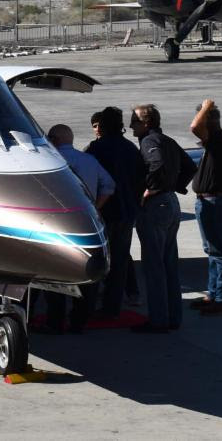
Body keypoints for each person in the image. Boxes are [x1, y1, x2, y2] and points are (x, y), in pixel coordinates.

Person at [44, 123, 114, 333]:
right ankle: (79, 321)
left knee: (55, 276)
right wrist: (93, 208)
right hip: (84, 222)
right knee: (86, 275)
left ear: (54, 140)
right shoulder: (89, 160)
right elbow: (109, 185)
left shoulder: (52, 162)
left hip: (57, 224)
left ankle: (55, 322)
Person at [128, 104, 190, 333]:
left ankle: (158, 320)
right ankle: (173, 317)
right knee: (169, 264)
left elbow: (157, 164)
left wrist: (151, 190)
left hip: (156, 205)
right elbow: (189, 166)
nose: (130, 126)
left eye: (134, 122)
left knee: (154, 266)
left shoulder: (149, 142)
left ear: (146, 123)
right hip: (171, 202)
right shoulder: (168, 140)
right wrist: (173, 187)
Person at [85, 106, 145, 318]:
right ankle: (112, 307)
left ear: (102, 125)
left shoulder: (96, 148)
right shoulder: (130, 148)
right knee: (120, 260)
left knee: (96, 259)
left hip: (105, 212)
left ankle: (88, 306)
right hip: (127, 212)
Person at [189, 98, 222, 315]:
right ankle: (214, 294)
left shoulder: (219, 139)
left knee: (218, 252)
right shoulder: (220, 139)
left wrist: (206, 106)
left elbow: (194, 127)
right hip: (209, 200)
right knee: (212, 250)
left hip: (212, 202)